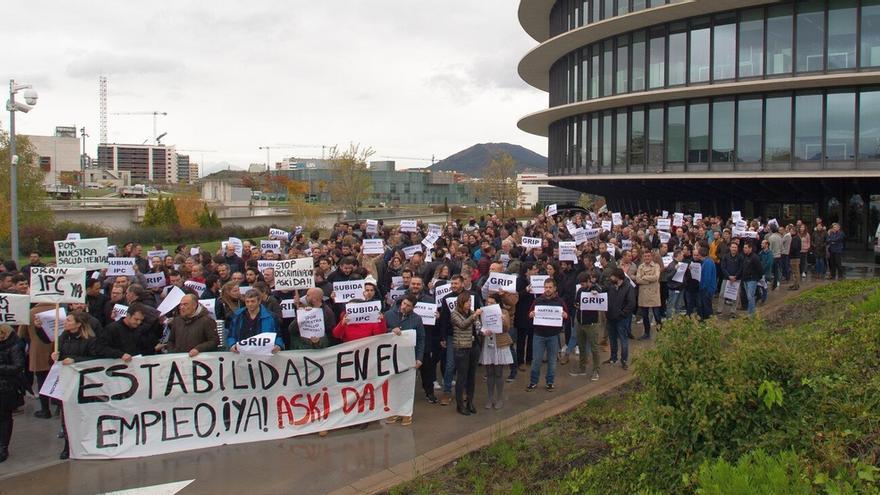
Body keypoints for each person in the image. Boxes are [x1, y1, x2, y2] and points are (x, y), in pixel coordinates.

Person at [53, 311, 126, 459]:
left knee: (84, 415)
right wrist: (55, 357)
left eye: (68, 320)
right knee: (66, 415)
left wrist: (74, 360)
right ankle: (68, 445)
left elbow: (95, 359)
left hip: (85, 385)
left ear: (78, 324)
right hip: (67, 382)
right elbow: (58, 361)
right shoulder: (62, 338)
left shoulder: (91, 340)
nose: (65, 322)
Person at [383, 294, 425, 425]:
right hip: (391, 355)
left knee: (407, 385)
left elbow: (421, 338)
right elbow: (381, 332)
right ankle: (394, 411)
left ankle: (406, 413)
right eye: (404, 304)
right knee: (393, 384)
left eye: (408, 305)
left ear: (413, 307)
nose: (404, 307)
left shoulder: (417, 319)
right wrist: (390, 330)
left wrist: (419, 358)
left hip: (408, 355)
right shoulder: (389, 315)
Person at [527, 278, 567, 391]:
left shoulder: (560, 302)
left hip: (553, 336)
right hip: (538, 335)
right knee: (536, 360)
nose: (548, 290)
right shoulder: (538, 301)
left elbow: (566, 317)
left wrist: (565, 315)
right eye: (546, 287)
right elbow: (529, 315)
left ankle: (550, 382)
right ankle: (533, 382)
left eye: (550, 287)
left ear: (555, 288)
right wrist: (531, 315)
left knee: (552, 361)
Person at [479, 294, 513, 410]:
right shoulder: (483, 312)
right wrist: (482, 332)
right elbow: (479, 326)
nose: (489, 304)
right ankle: (490, 397)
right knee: (489, 373)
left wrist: (503, 321)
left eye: (492, 302)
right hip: (488, 342)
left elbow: (507, 328)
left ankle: (499, 397)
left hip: (500, 343)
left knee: (498, 373)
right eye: (488, 302)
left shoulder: (504, 312)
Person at [450, 292, 482, 415]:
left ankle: (470, 402)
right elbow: (463, 325)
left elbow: (478, 328)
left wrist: (483, 330)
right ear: (461, 302)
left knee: (471, 377)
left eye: (470, 301)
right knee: (462, 377)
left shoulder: (473, 312)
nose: (469, 304)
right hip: (461, 348)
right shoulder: (455, 314)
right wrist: (474, 317)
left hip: (474, 347)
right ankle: (460, 405)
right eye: (467, 301)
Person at [0, 324, 25, 463]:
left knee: (4, 417)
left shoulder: (13, 346)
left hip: (6, 388)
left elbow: (18, 366)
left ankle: (3, 447)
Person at [571, 271, 602, 381]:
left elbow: (601, 296)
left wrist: (596, 294)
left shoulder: (596, 289)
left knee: (594, 347)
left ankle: (596, 370)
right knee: (582, 347)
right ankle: (582, 367)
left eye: (584, 284)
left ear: (589, 281)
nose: (582, 286)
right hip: (580, 322)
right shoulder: (580, 290)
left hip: (592, 323)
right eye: (581, 284)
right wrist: (578, 305)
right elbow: (575, 303)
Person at [604, 268, 635, 370]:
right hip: (610, 317)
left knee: (623, 340)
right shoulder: (611, 286)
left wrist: (622, 314)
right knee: (612, 339)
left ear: (618, 277)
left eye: (612, 276)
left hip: (622, 319)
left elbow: (631, 304)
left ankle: (624, 360)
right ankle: (613, 357)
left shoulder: (628, 287)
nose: (610, 278)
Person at [634, 251, 661, 339]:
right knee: (645, 316)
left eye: (648, 256)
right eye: (645, 256)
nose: (647, 258)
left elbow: (656, 277)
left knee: (657, 315)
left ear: (651, 257)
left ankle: (660, 332)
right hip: (644, 294)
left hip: (654, 293)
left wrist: (645, 277)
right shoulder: (640, 267)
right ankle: (646, 333)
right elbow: (638, 280)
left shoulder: (656, 266)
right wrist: (650, 279)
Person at [740, 242, 763, 316]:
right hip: (745, 279)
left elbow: (760, 269)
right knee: (748, 297)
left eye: (746, 248)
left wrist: (757, 278)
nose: (744, 249)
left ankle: (751, 314)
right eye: (744, 248)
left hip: (752, 279)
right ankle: (750, 312)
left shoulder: (754, 257)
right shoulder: (745, 257)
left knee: (750, 297)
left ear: (750, 248)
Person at [788, 225, 802, 290]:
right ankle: (795, 284)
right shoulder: (796, 237)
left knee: (795, 271)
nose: (790, 232)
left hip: (794, 257)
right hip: (795, 256)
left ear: (794, 231)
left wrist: (790, 251)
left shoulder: (795, 238)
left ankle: (796, 285)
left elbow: (795, 248)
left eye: (791, 231)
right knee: (795, 271)